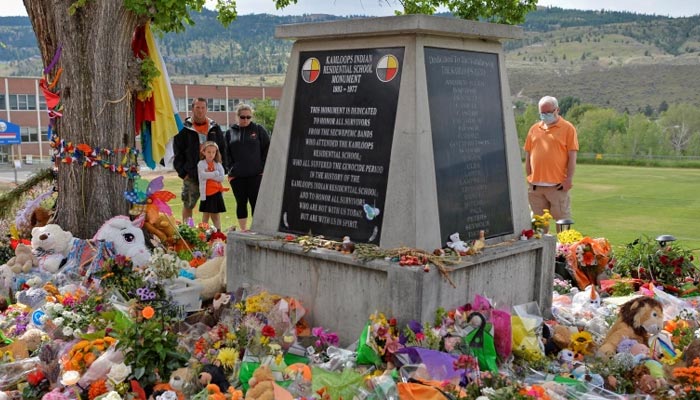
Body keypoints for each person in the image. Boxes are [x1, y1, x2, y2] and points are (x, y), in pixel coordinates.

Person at [524, 95, 579, 222]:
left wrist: (569, 179)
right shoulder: (534, 129)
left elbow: (572, 156)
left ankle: (563, 243)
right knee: (539, 225)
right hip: (536, 188)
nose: (545, 115)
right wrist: (529, 178)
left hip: (557, 186)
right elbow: (528, 156)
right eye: (542, 113)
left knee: (562, 222)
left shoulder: (568, 128)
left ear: (557, 110)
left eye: (548, 112)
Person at [173, 97, 227, 223]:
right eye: (197, 107)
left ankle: (214, 234)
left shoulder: (214, 127)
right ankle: (188, 231)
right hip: (191, 174)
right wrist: (183, 173)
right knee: (188, 204)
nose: (200, 110)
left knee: (212, 207)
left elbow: (223, 149)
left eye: (203, 107)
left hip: (211, 175)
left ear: (207, 109)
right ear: (192, 108)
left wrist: (221, 169)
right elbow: (178, 152)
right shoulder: (184, 128)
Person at [224, 103, 271, 231]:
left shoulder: (258, 130)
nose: (245, 120)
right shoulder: (230, 132)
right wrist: (231, 170)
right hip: (237, 176)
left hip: (256, 175)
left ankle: (256, 229)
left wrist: (262, 168)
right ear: (237, 116)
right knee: (241, 203)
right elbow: (225, 153)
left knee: (256, 203)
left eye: (248, 117)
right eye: (242, 117)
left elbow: (267, 149)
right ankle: (243, 230)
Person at [197, 141, 228, 231]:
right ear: (204, 152)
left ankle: (218, 232)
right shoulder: (201, 164)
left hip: (216, 193)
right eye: (209, 152)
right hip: (206, 194)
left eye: (213, 152)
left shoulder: (218, 164)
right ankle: (202, 233)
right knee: (206, 214)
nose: (211, 154)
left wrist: (210, 175)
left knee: (215, 215)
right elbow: (203, 175)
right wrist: (215, 173)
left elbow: (221, 178)